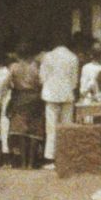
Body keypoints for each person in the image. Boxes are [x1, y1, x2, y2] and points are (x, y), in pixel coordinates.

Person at [38, 34, 81, 165]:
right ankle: (66, 156)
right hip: (67, 94)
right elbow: (74, 81)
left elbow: (42, 77)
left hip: (51, 94)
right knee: (67, 125)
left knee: (51, 127)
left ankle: (50, 157)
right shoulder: (73, 57)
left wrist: (48, 85)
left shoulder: (47, 57)